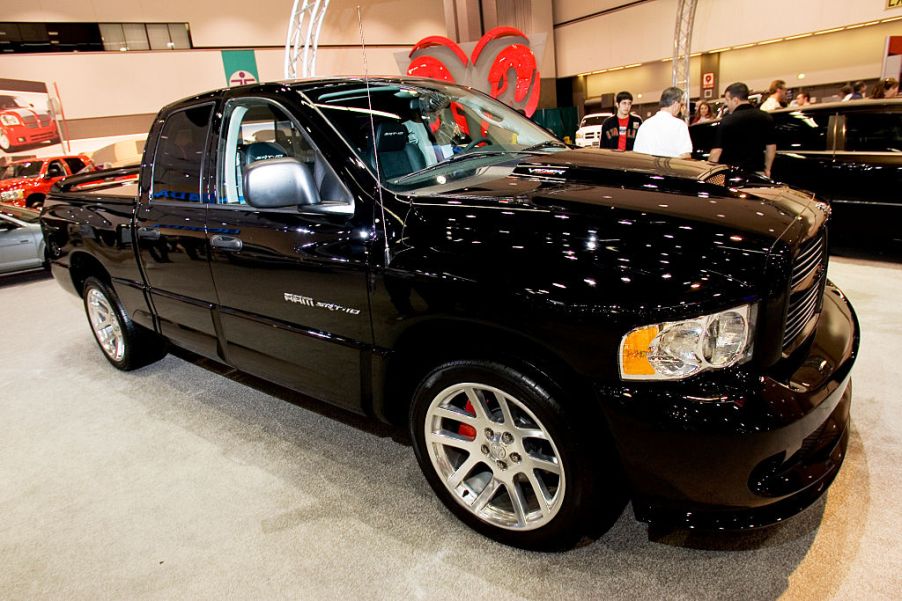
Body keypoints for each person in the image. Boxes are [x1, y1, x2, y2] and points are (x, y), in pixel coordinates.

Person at [708, 82, 776, 177]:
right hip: (757, 172)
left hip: (731, 174)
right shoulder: (766, 117)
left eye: (727, 100)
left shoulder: (727, 121)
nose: (726, 103)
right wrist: (767, 169)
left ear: (735, 100)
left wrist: (710, 174)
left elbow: (716, 152)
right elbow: (771, 147)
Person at [632, 87, 692, 159]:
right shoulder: (680, 125)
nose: (682, 108)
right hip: (671, 169)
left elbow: (637, 154)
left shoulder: (645, 124)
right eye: (681, 104)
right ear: (675, 104)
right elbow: (685, 155)